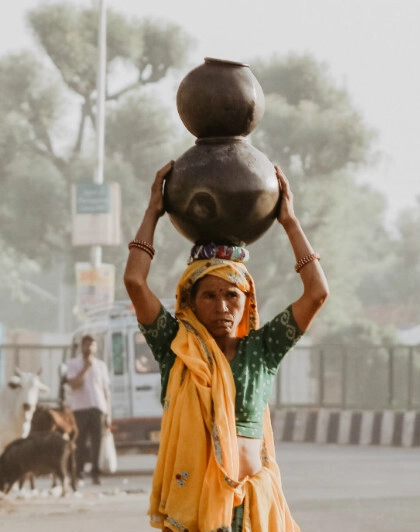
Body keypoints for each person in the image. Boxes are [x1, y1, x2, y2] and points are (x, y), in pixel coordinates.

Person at [124, 161, 329, 532]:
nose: (221, 307)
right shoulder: (176, 348)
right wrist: (152, 211)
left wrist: (290, 223)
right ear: (190, 301)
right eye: (210, 296)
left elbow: (317, 293)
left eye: (232, 295)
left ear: (246, 300)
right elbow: (135, 282)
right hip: (198, 513)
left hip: (253, 509)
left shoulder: (262, 350)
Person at [66, 335, 112, 485]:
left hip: (97, 408)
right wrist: (85, 369)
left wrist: (108, 414)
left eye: (92, 345)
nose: (89, 348)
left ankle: (95, 473)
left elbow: (106, 391)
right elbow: (74, 384)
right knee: (80, 442)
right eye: (86, 345)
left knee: (96, 442)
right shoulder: (73, 364)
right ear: (82, 347)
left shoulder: (101, 366)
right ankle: (78, 471)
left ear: (95, 347)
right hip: (80, 408)